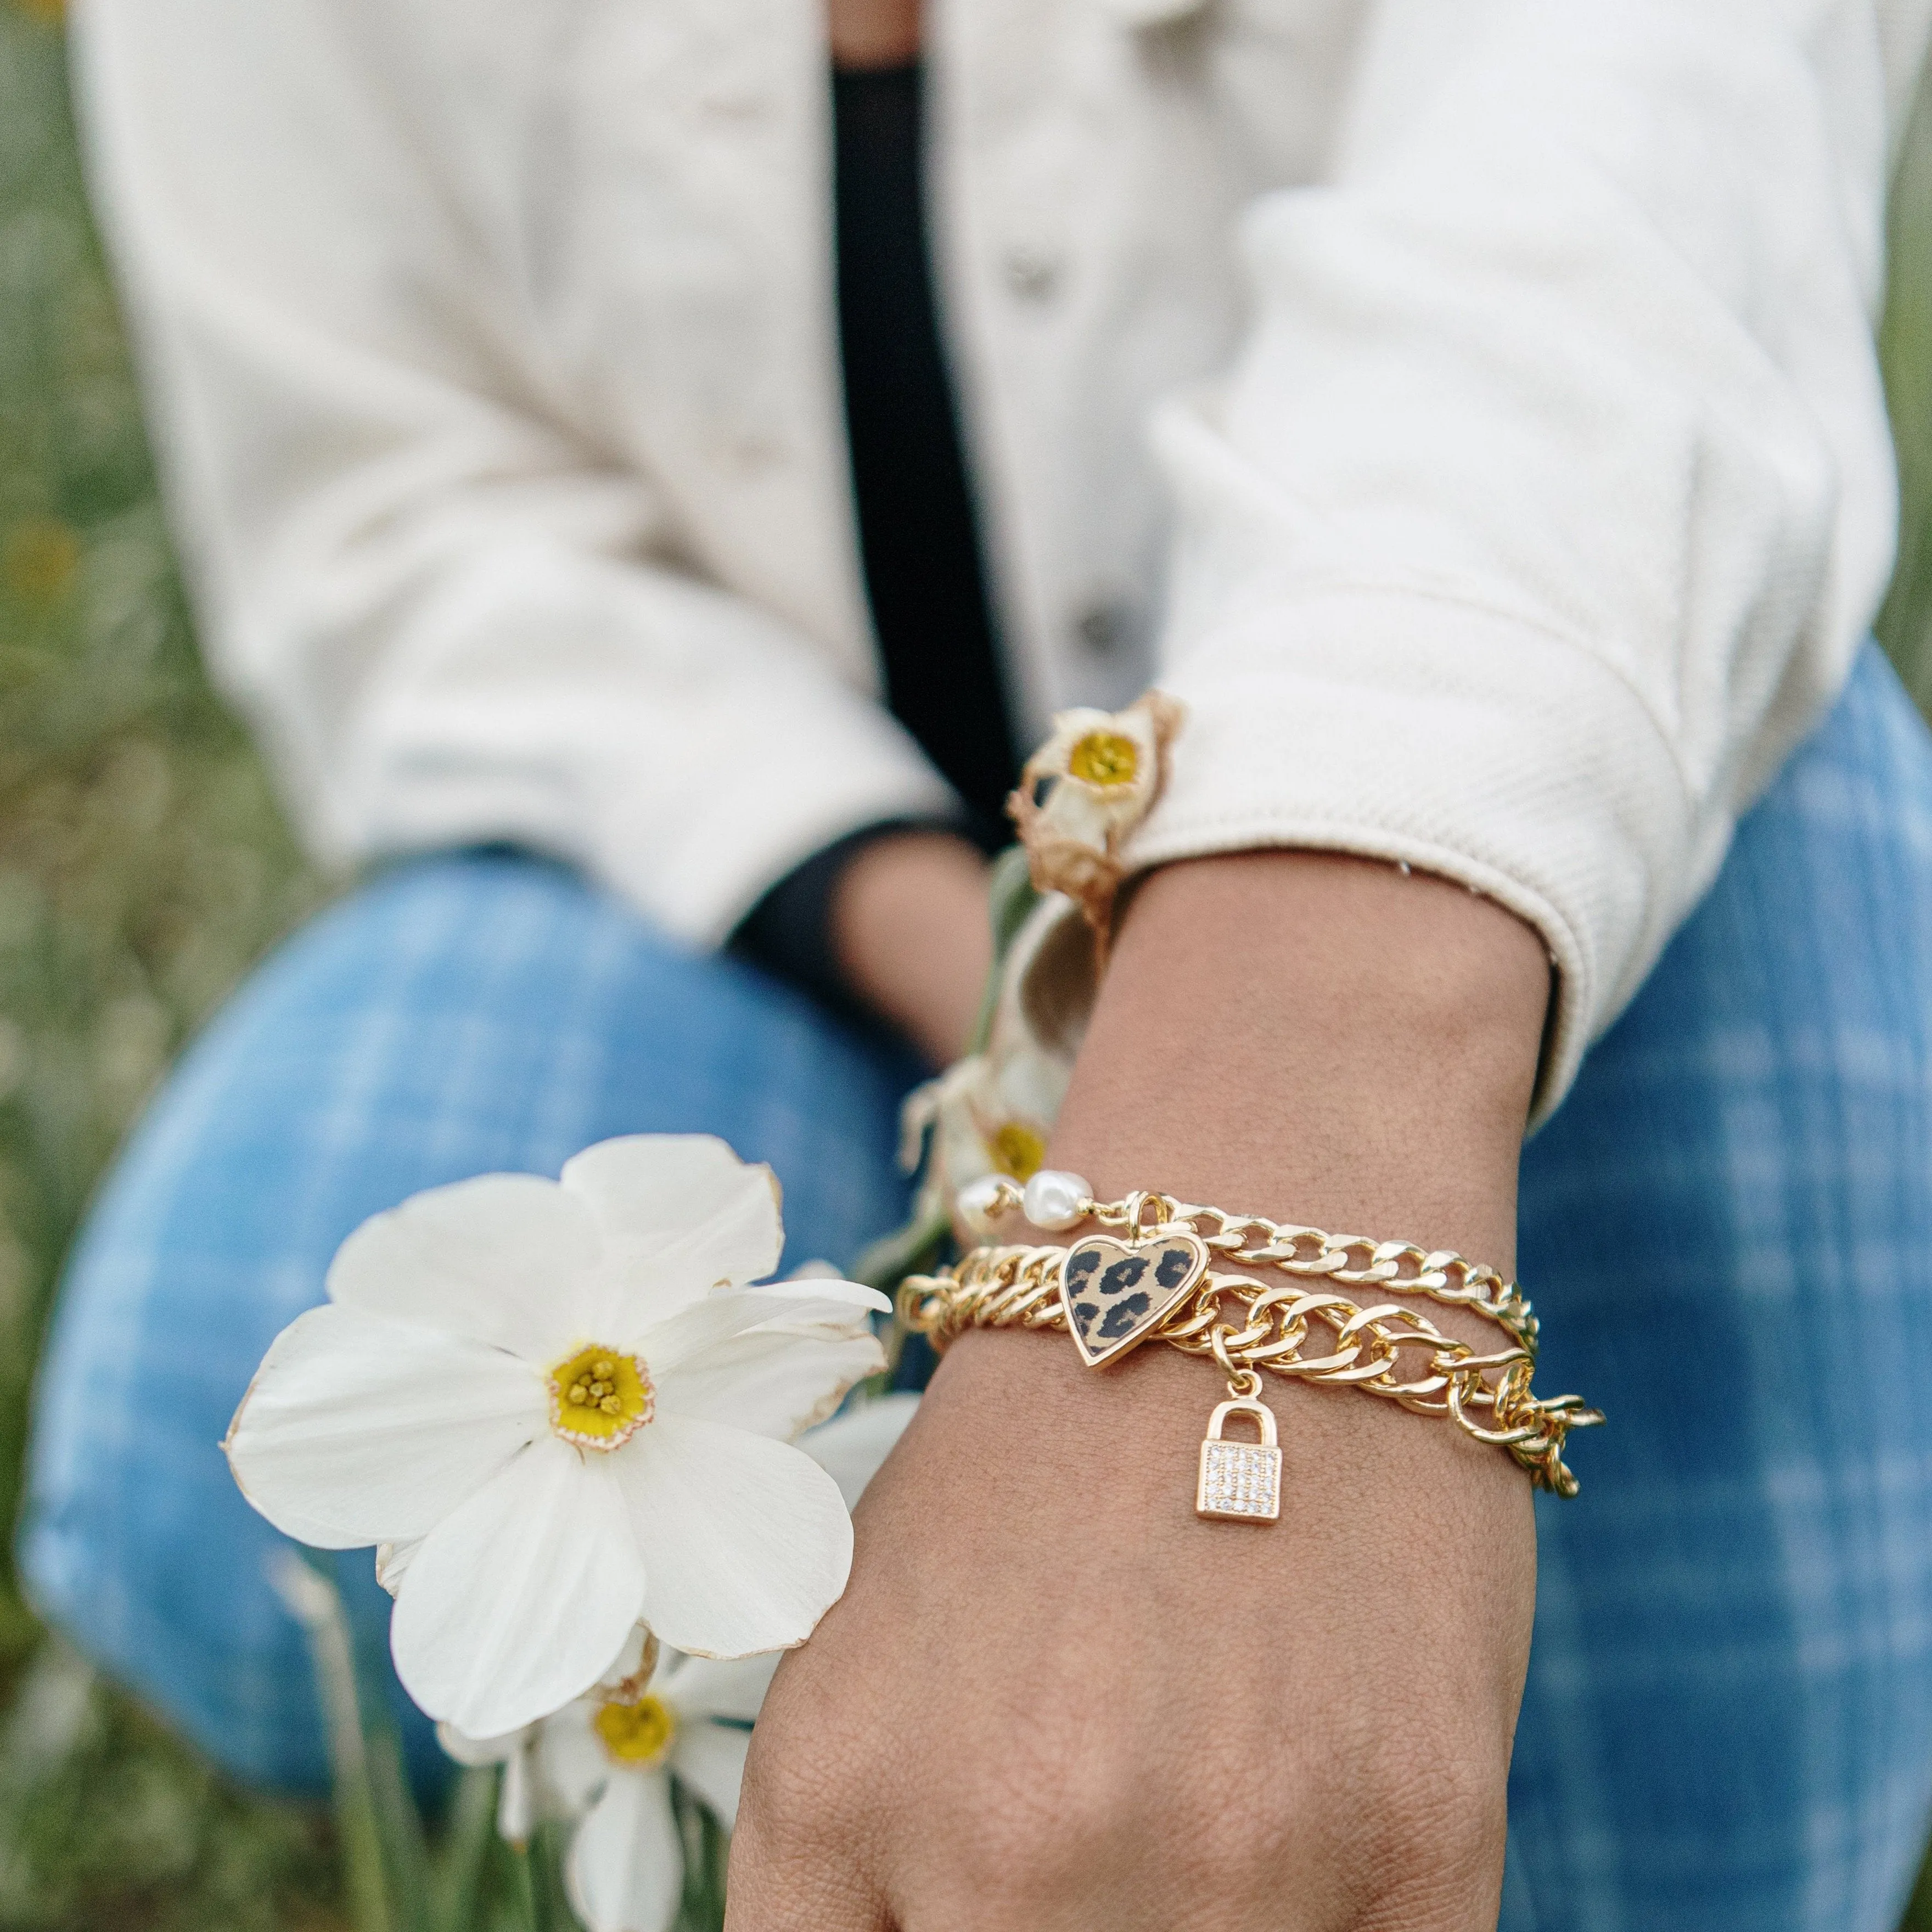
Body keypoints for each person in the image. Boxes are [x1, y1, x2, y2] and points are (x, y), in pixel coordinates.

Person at [24, 0, 1932, 1924]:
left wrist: (1298, 1040)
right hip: (736, 842)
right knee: (223, 1425)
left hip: (1522, 694)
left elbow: (1636, 155)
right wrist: (999, 987)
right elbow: (411, 518)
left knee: (1700, 1793)